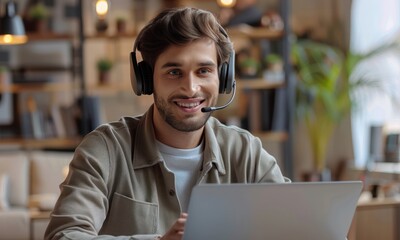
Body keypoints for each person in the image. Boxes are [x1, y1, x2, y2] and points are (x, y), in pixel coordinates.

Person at [45, 7, 289, 240]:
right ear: (146, 80)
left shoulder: (246, 152)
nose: (191, 88)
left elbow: (294, 224)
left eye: (204, 71)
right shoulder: (104, 150)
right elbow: (64, 235)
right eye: (174, 72)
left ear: (223, 78)